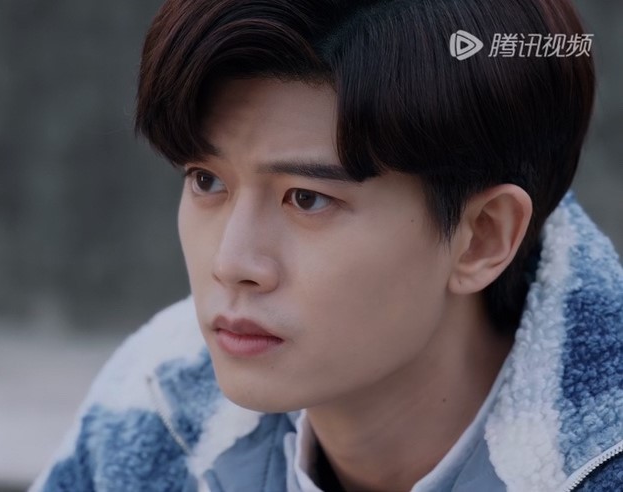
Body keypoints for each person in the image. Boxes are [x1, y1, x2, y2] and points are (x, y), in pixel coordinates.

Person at [32, 0, 623, 490]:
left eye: (307, 198)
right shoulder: (156, 406)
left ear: (483, 238)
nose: (231, 264)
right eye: (207, 181)